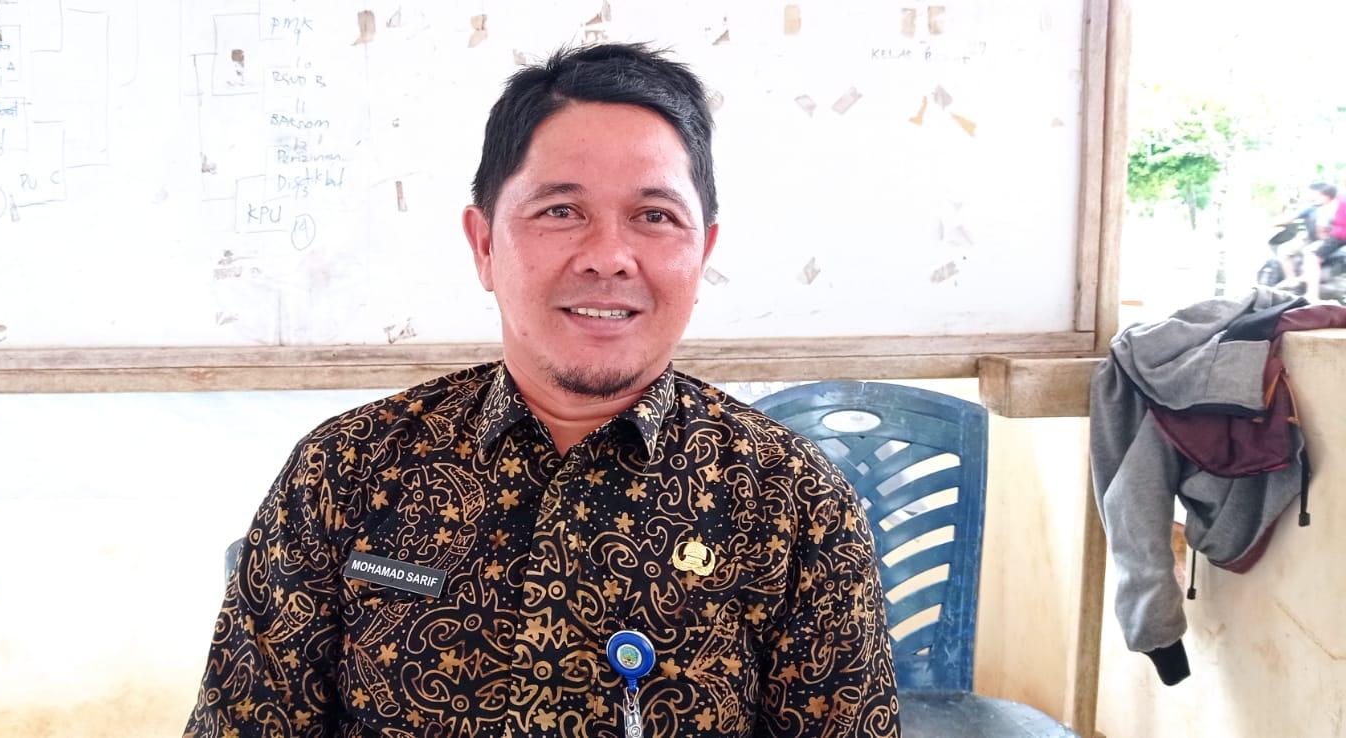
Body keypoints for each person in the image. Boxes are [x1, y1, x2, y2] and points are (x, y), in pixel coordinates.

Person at [184, 43, 898, 738]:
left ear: (702, 251)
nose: (608, 258)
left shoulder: (792, 502)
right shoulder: (345, 470)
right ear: (484, 244)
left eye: (654, 215)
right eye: (561, 210)